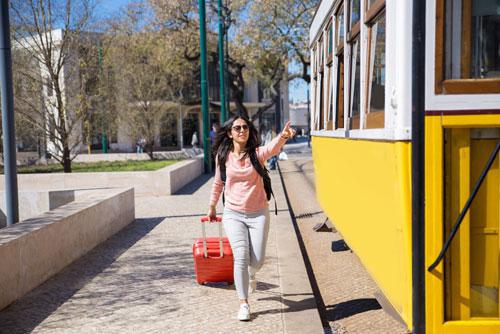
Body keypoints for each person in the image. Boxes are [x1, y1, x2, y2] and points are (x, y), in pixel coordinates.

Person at [207, 115, 295, 321]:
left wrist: (282, 136)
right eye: (237, 128)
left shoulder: (256, 154)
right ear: (230, 133)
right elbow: (218, 183)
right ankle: (244, 303)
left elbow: (271, 149)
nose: (241, 131)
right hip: (233, 214)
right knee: (241, 257)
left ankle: (252, 274)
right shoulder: (223, 157)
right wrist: (212, 206)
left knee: (257, 260)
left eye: (245, 127)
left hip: (258, 214)